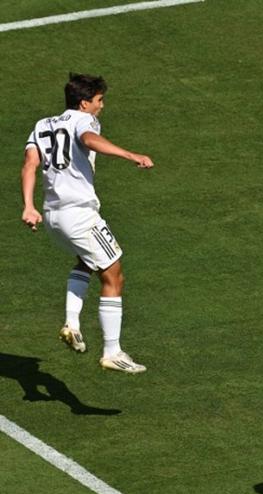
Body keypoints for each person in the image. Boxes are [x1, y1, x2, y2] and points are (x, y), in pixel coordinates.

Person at [20, 73, 154, 374]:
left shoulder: (42, 126)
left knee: (86, 261)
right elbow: (88, 139)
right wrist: (128, 154)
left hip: (52, 215)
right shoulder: (84, 121)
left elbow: (30, 164)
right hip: (79, 214)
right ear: (84, 103)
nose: (101, 106)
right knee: (114, 274)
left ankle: (72, 322)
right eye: (99, 101)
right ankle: (112, 351)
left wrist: (28, 206)